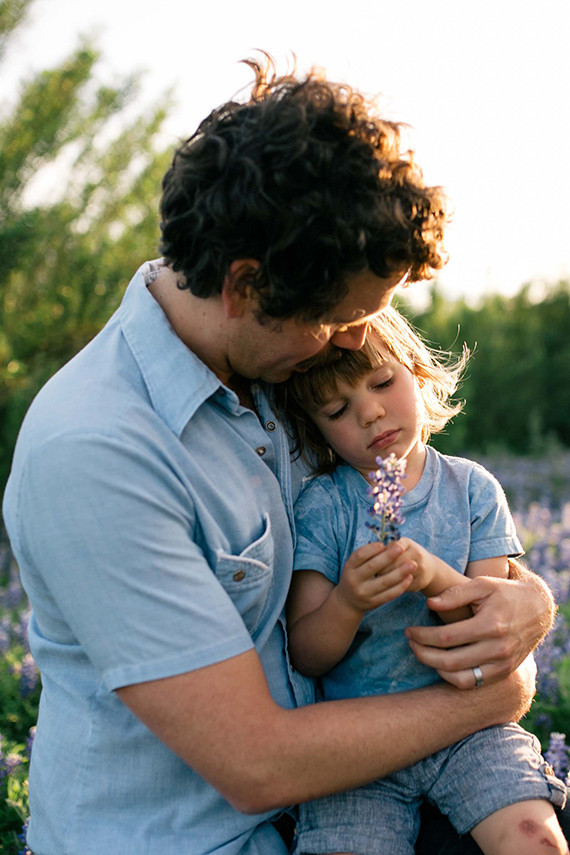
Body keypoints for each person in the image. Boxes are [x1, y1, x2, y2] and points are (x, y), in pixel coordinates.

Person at [0, 56, 560, 855]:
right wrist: (495, 690)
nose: (361, 344)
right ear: (245, 287)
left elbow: (447, 511)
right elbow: (255, 762)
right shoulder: (96, 449)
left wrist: (530, 602)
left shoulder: (282, 372)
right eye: (340, 318)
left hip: (361, 793)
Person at [281, 308, 568, 854]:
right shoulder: (324, 505)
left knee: (534, 836)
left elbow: (490, 634)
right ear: (315, 429)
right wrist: (347, 602)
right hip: (356, 746)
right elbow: (307, 652)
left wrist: (432, 575)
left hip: (470, 731)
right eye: (338, 409)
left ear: (419, 372)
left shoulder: (472, 491)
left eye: (384, 382)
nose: (369, 413)